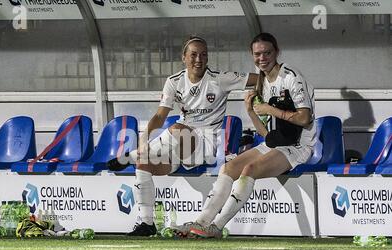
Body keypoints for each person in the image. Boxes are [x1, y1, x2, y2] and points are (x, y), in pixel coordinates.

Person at [113, 35, 257, 236]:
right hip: (178, 147)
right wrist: (145, 138)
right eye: (194, 55)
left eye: (203, 55)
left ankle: (132, 154)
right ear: (184, 57)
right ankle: (147, 223)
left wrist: (272, 86)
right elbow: (160, 115)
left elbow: (259, 78)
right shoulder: (174, 82)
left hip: (205, 146)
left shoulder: (219, 79)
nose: (199, 59)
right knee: (143, 163)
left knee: (177, 130)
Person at [180, 32, 317, 238]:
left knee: (249, 168)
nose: (262, 58)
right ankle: (201, 222)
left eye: (267, 53)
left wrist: (272, 110)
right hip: (276, 144)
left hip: (298, 147)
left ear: (276, 52)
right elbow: (267, 135)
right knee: (229, 167)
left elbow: (305, 118)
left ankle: (216, 227)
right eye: (257, 54)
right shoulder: (263, 81)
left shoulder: (290, 77)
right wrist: (251, 111)